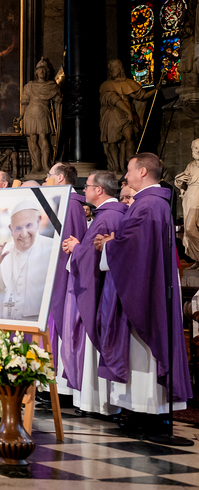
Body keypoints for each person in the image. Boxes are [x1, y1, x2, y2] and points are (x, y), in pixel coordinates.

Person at [94, 153, 192, 427]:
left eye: (129, 170)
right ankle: (142, 411)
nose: (125, 176)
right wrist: (116, 242)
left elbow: (133, 246)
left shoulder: (147, 205)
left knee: (143, 349)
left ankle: (147, 412)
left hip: (145, 290)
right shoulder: (151, 203)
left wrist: (109, 245)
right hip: (147, 282)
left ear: (143, 171)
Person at [60, 170, 124, 417]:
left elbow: (92, 257)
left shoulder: (107, 216)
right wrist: (80, 247)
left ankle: (97, 403)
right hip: (102, 287)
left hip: (99, 290)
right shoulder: (109, 214)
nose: (83, 190)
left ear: (99, 190)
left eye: (86, 186)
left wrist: (76, 248)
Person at [0, 198, 53, 321]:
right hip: (2, 326)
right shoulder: (2, 251)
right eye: (18, 228)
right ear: (10, 228)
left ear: (38, 222)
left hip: (37, 326)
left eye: (29, 225)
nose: (24, 234)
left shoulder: (51, 248)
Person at [45, 161, 88, 397]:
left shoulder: (70, 205)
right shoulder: (63, 203)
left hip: (61, 274)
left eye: (49, 175)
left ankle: (61, 388)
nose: (46, 178)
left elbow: (65, 245)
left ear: (60, 178)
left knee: (61, 321)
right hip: (54, 272)